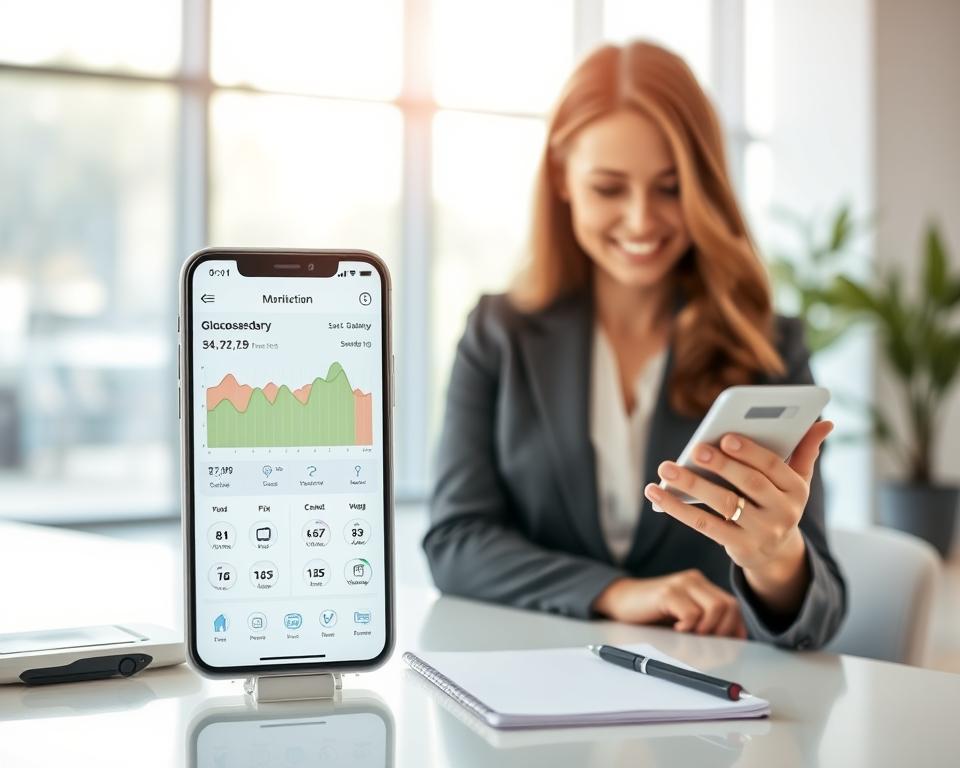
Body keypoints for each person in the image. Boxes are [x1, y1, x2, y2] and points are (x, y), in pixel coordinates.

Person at [423, 41, 845, 649]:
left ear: (706, 188)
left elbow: (821, 613)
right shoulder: (499, 335)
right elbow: (455, 540)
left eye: (671, 188)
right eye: (610, 189)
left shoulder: (768, 347)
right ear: (563, 179)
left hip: (713, 708)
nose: (643, 220)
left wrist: (776, 560)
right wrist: (616, 593)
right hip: (539, 688)